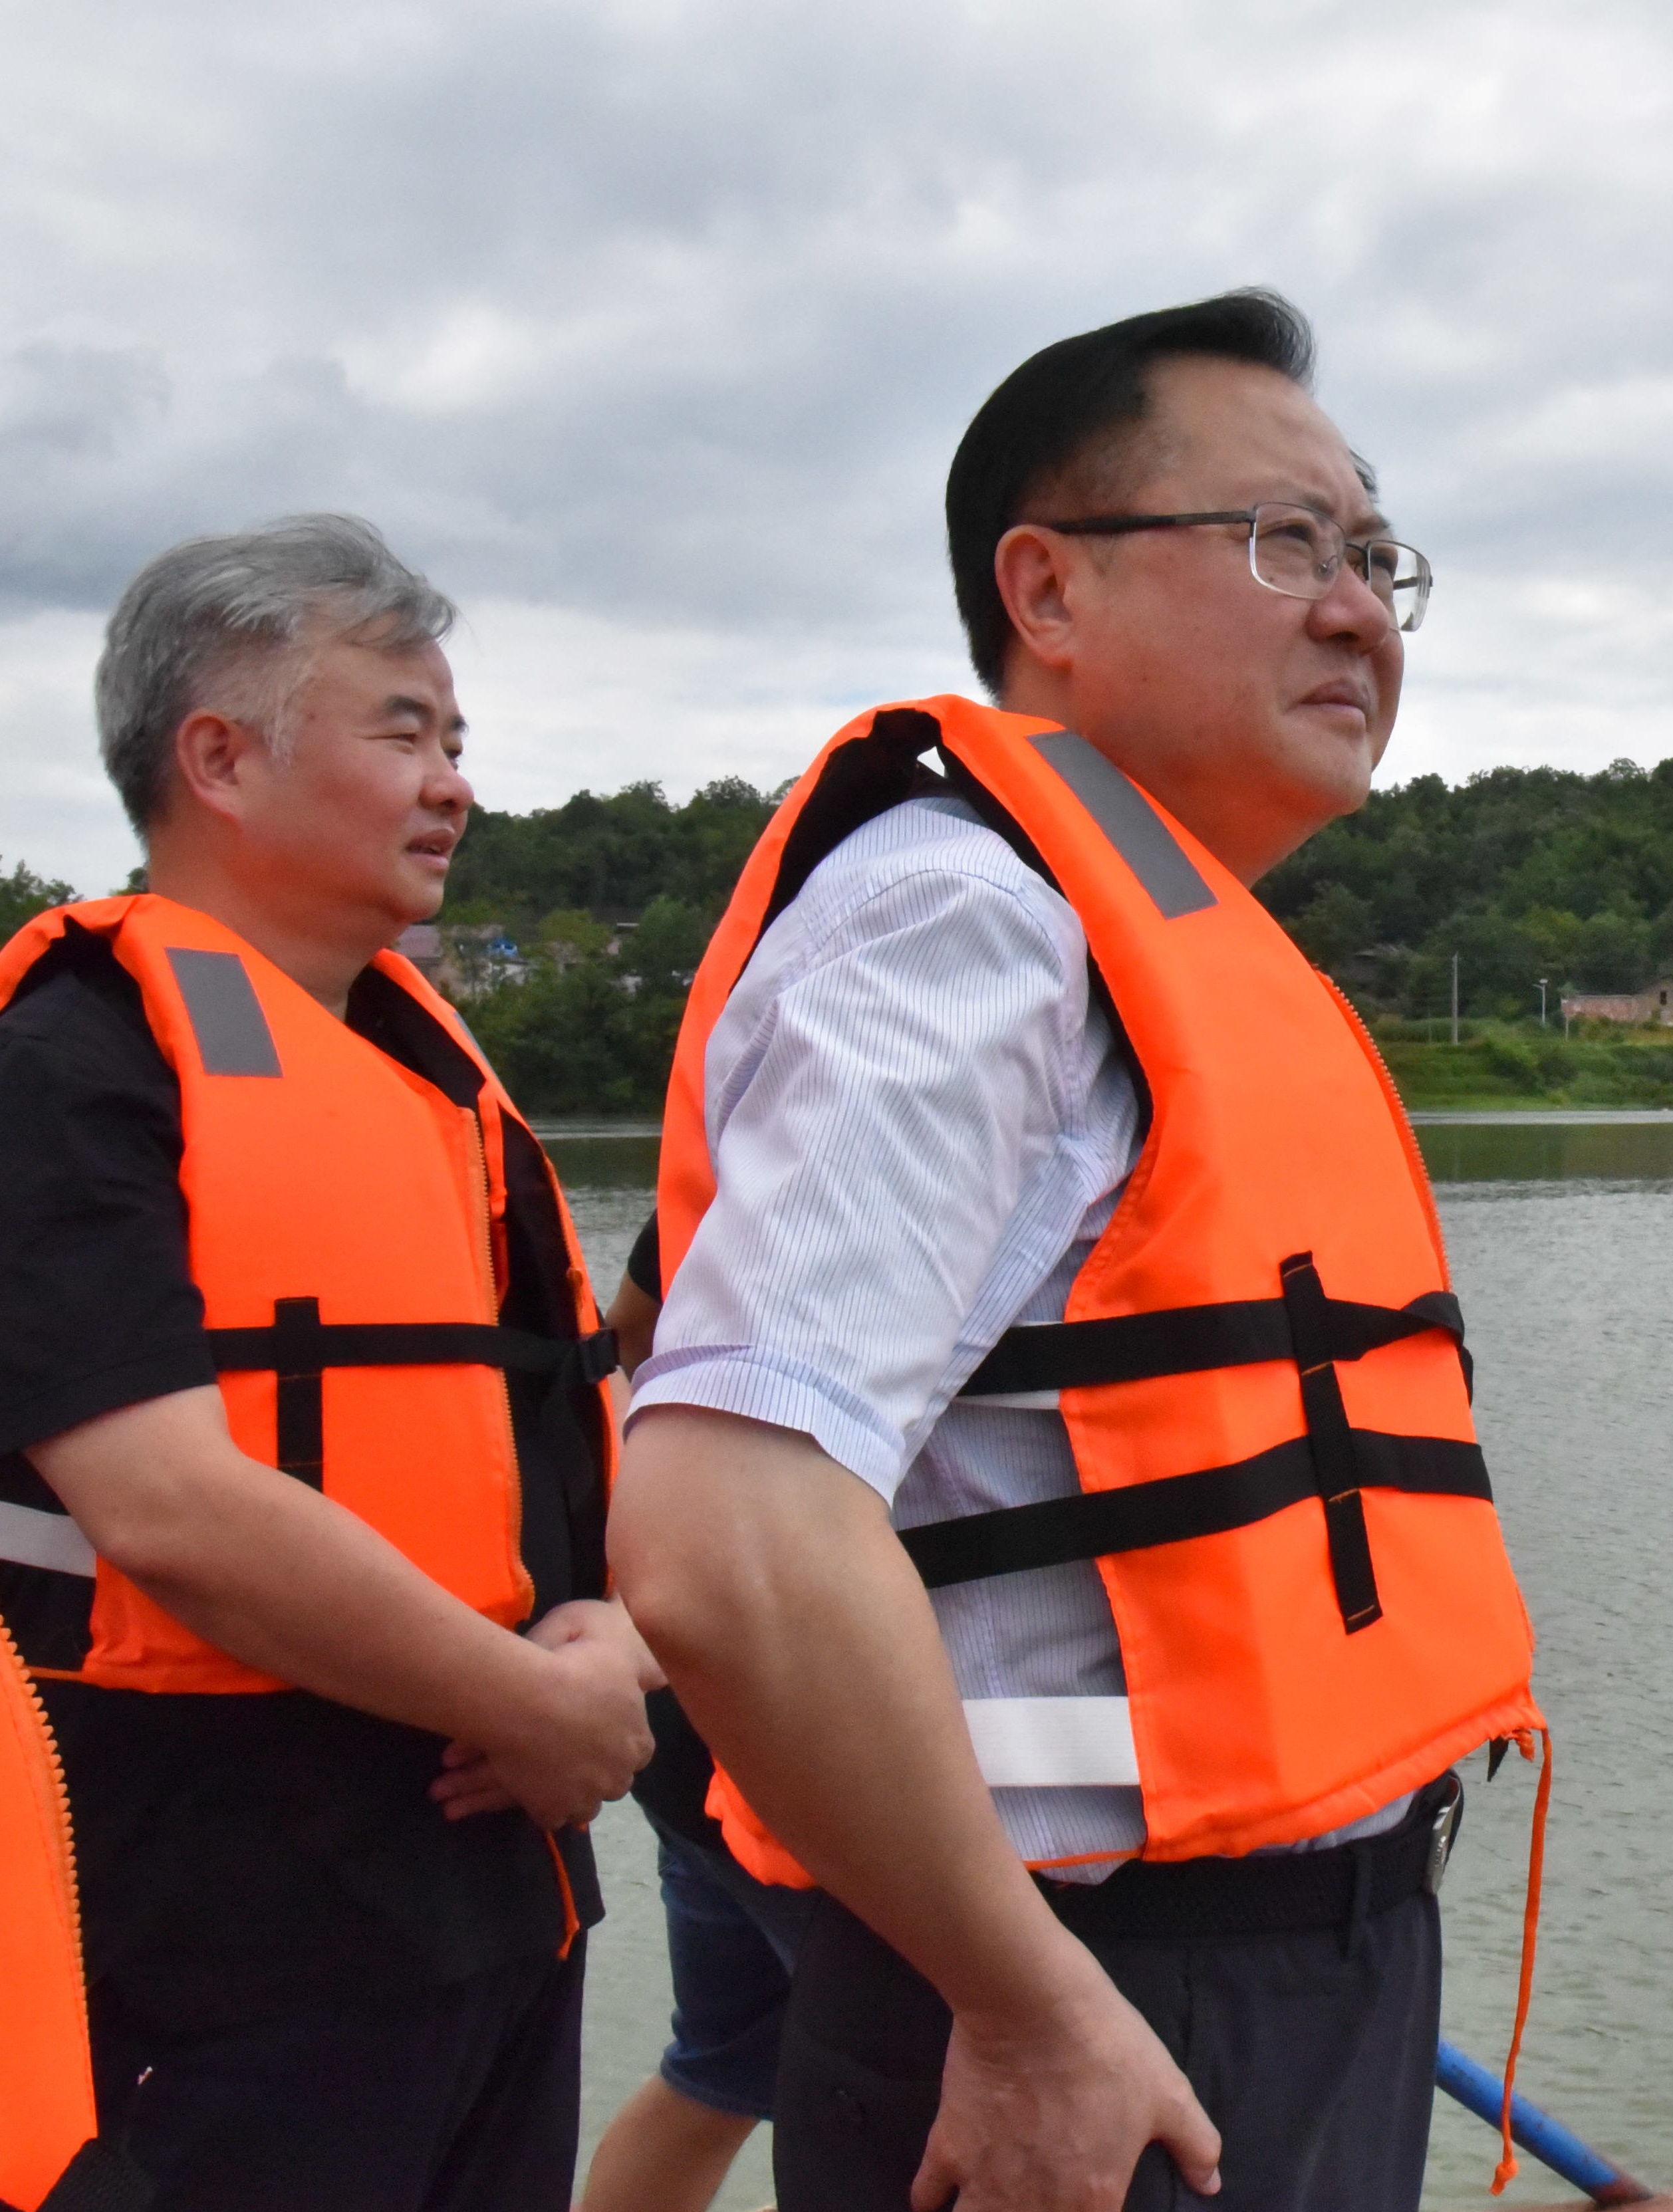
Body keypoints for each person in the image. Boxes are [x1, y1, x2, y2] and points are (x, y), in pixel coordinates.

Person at [609, 290, 1545, 2212]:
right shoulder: (966, 925)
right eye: (1288, 543)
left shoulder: (1170, 934)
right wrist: (1024, 2002)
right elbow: (724, 1537)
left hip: (1273, 1956)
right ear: (1045, 590)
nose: (1359, 606)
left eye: (1379, 555)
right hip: (1082, 1989)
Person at [0, 517, 655, 2211]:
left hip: (497, 1901)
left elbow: (566, 1433)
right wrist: (523, 1696)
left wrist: (611, 1639)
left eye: (459, 743)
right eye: (404, 731)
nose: (452, 784)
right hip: (208, 1942)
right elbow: (165, 1501)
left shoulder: (439, 1092)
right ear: (217, 755)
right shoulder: (68, 1064)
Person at [578, 1217, 810, 2212]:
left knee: (722, 2070)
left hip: (687, 1691)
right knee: (917, 2067)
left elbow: (626, 1332)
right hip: (783, 1717)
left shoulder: (720, 1173)